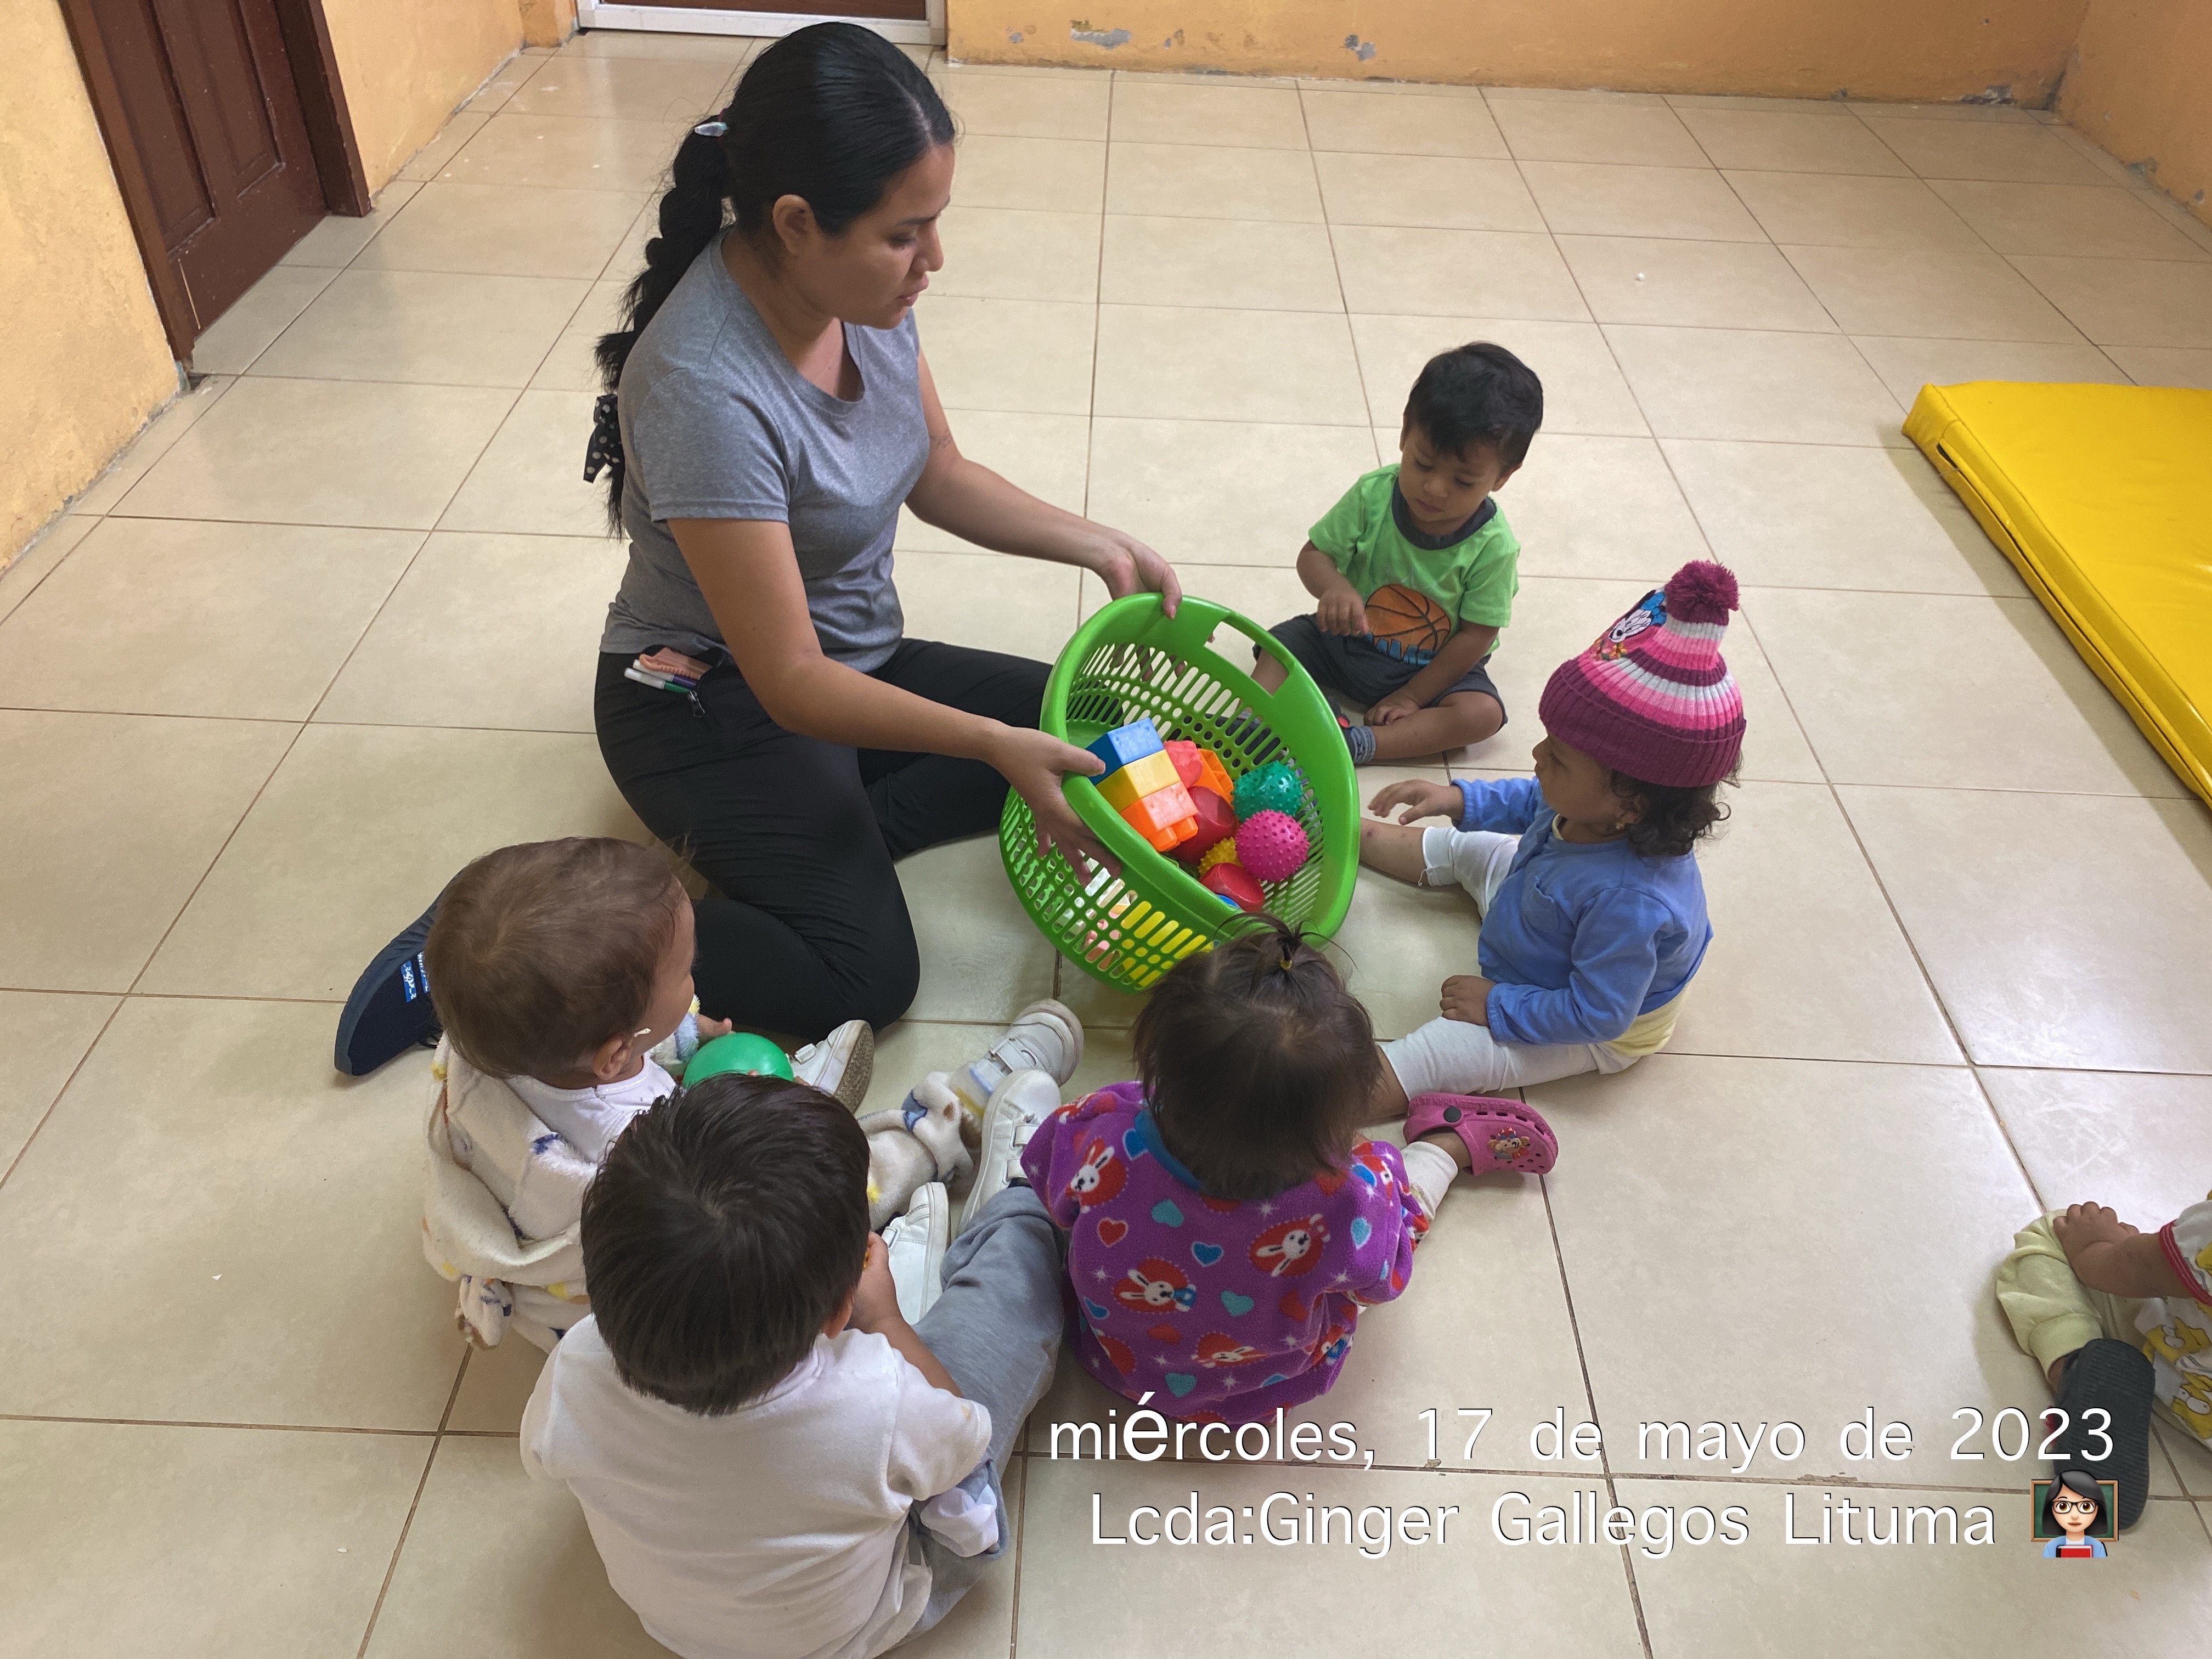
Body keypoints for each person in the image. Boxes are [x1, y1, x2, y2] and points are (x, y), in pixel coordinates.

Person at [331, 24, 1177, 1077]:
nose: (933, 260)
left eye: (936, 223)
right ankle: (505, 937)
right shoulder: (702, 385)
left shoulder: (864, 294)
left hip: (844, 660)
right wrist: (987, 741)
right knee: (862, 972)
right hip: (707, 703)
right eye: (905, 233)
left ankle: (829, 823)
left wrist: (1097, 543)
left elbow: (936, 466)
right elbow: (789, 679)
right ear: (795, 222)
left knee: (1090, 731)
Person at [415, 836, 1080, 1348]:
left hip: (594, 1210)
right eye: (686, 973)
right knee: (843, 1179)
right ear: (616, 1053)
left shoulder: (492, 1046)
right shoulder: (634, 1160)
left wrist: (685, 1034)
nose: (696, 978)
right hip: (682, 1272)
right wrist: (761, 1125)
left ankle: (783, 1091)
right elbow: (738, 1211)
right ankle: (949, 1120)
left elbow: (612, 1056)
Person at [521, 1071, 1065, 1659]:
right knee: (1001, 1320)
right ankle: (1020, 1205)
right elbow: (961, 1443)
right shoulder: (878, 1399)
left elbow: (542, 1455)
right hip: (857, 1629)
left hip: (680, 1630)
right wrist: (885, 1321)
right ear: (839, 1311)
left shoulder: (576, 1361)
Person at [1018, 922, 1556, 1426]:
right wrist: (1374, 1167)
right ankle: (1445, 1149)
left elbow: (1041, 1173)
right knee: (1396, 1211)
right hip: (1261, 1387)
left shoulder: (1105, 1131)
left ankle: (1442, 1146)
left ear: (1154, 1057)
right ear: (1343, 1117)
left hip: (1115, 1361)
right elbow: (1385, 1279)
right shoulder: (1346, 1197)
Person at [1358, 561, 1743, 1103]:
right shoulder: (1594, 806)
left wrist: (1498, 1004)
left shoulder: (1630, 903)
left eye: (1558, 758)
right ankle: (1347, 832)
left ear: (1631, 804)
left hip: (1585, 1023)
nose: (1537, 756)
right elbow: (1533, 799)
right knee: (1478, 847)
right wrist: (1458, 800)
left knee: (1446, 1052)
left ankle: (1314, 1113)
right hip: (1543, 909)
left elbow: (1598, 1013)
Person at [1252, 342, 1541, 765]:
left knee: (1482, 714)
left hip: (1430, 668)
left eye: (1463, 481)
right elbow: (1313, 555)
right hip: (1342, 640)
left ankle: (1359, 745)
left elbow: (1477, 636)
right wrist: (1334, 588)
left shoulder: (1493, 547)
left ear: (1503, 476)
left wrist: (1413, 695)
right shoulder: (1373, 494)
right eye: (1423, 464)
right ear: (1405, 434)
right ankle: (1251, 724)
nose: (1435, 489)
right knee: (1278, 645)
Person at [1997, 1193, 2212, 1532]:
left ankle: (2075, 1369)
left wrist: (2111, 1249)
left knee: (2055, 1233)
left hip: (2181, 1371)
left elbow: (2133, 1268)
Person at [2040, 1469, 2110, 1558]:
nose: (2075, 1516)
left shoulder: (2098, 1547)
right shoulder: (2051, 1547)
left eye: (2086, 1506)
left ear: (2097, 1509)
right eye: (2063, 1506)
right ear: (2052, 1509)